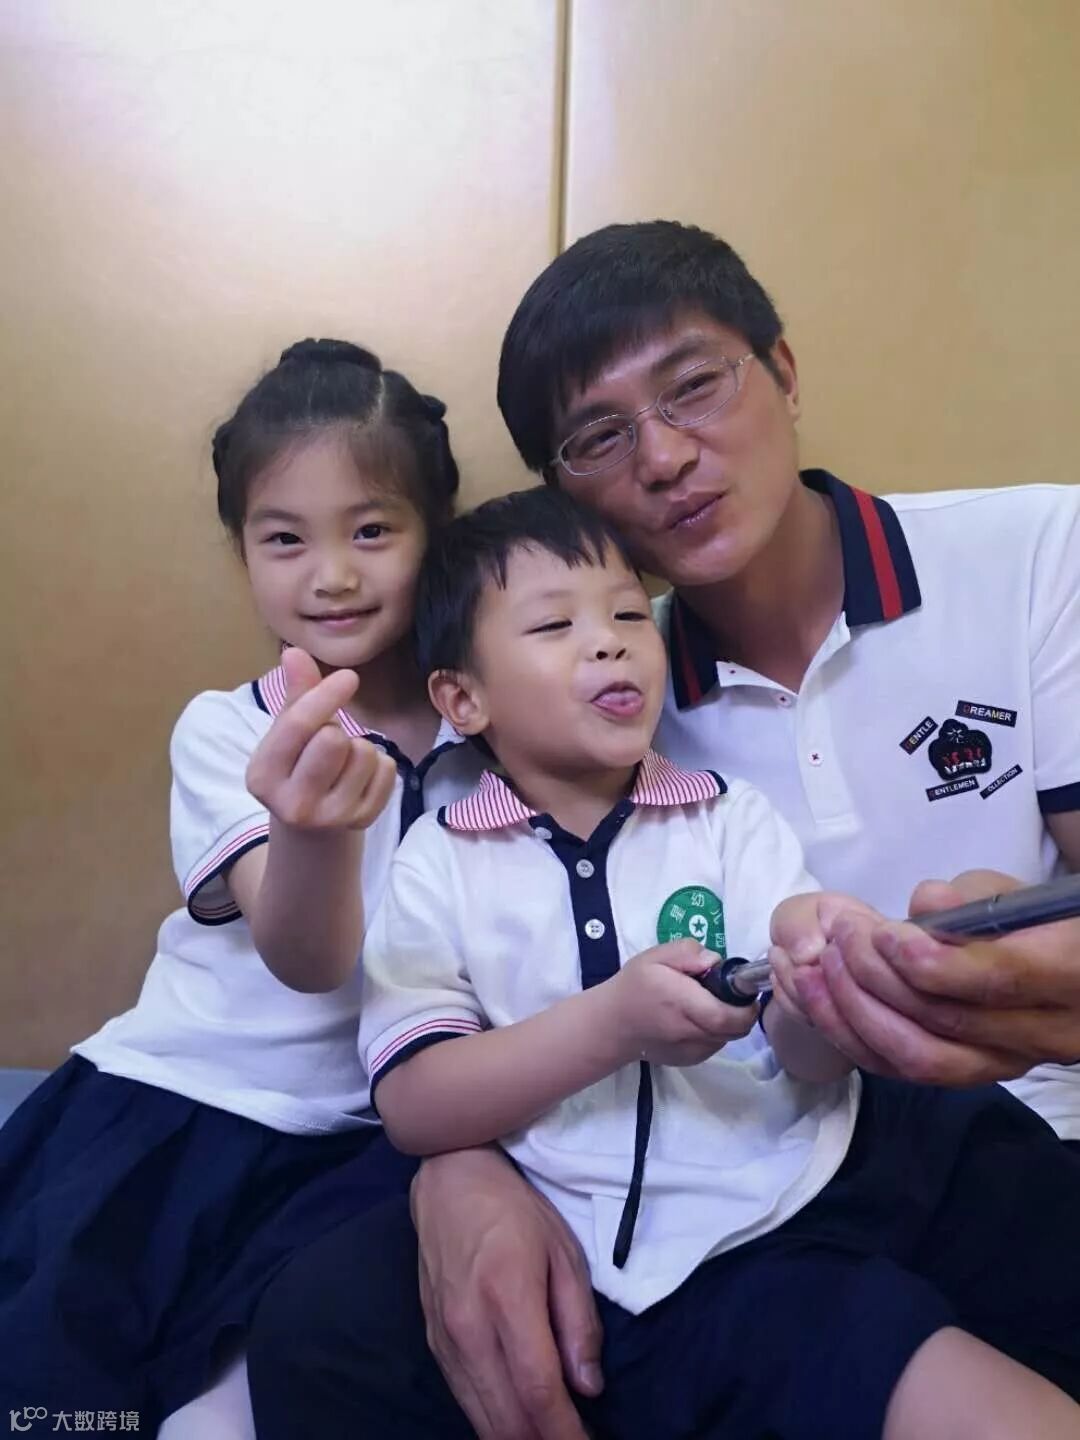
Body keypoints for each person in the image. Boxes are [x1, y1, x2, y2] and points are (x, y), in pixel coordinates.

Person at [249, 224, 1080, 1439]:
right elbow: (415, 1053)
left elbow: (800, 1025)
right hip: (635, 1180)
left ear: (783, 370)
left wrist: (846, 978)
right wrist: (462, 1166)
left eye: (696, 385)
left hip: (932, 1149)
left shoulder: (1039, 552)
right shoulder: (561, 751)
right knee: (320, 1315)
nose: (666, 455)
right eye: (599, 436)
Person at [0, 338, 482, 1427]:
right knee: (64, 1391)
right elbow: (304, 958)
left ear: (434, 531)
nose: (332, 574)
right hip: (190, 1105)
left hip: (365, 1141)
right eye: (284, 538)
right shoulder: (228, 732)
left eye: (372, 530)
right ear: (243, 553)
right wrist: (311, 827)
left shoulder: (496, 733)